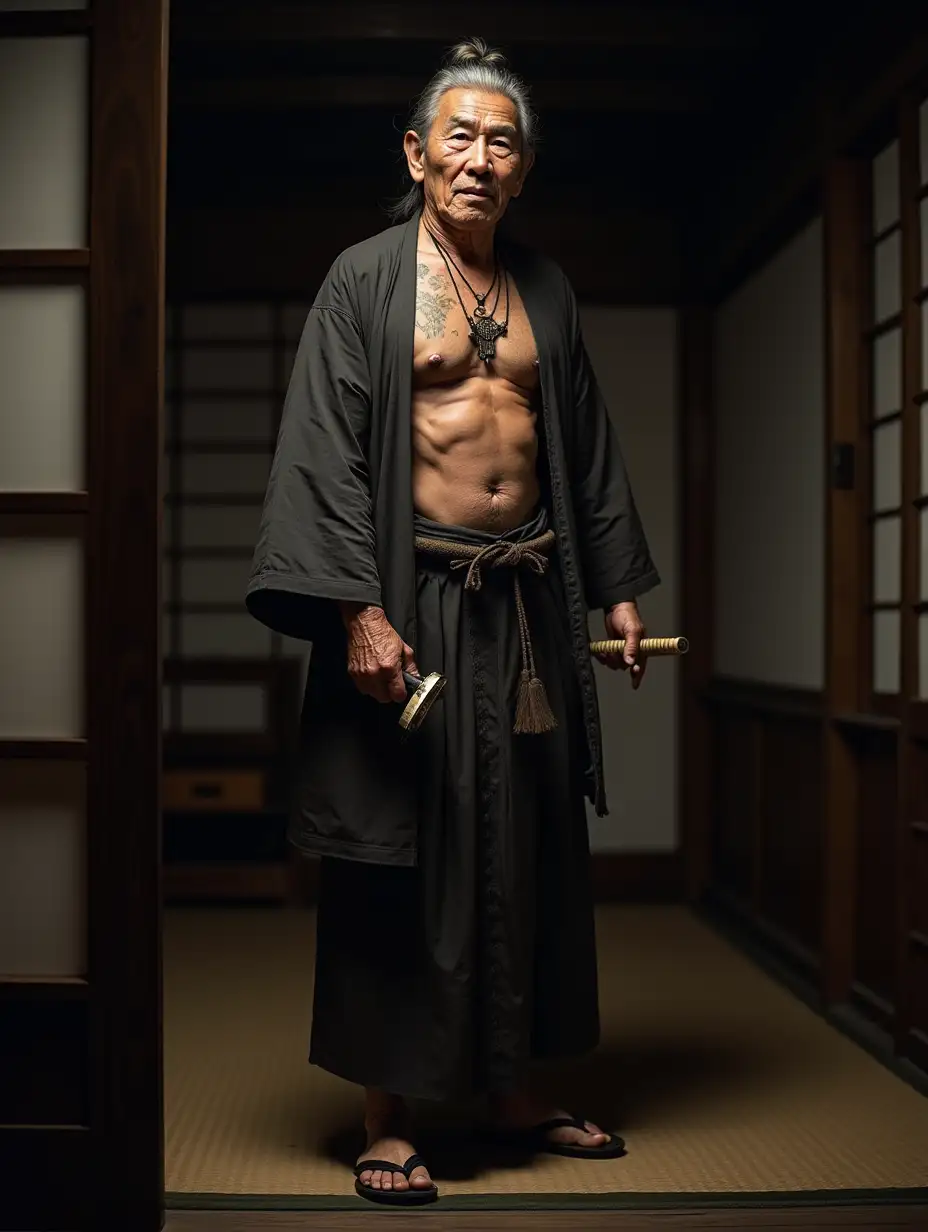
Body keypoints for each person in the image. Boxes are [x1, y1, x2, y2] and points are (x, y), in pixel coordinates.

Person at [245, 36, 660, 1207]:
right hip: (408, 600)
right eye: (460, 137)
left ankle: (512, 1088)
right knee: (399, 845)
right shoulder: (365, 280)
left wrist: (616, 584)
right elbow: (324, 456)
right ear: (419, 153)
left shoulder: (546, 289)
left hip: (525, 598)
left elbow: (581, 446)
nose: (481, 158)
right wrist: (358, 614)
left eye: (504, 142)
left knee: (523, 842)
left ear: (523, 170)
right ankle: (387, 1114)